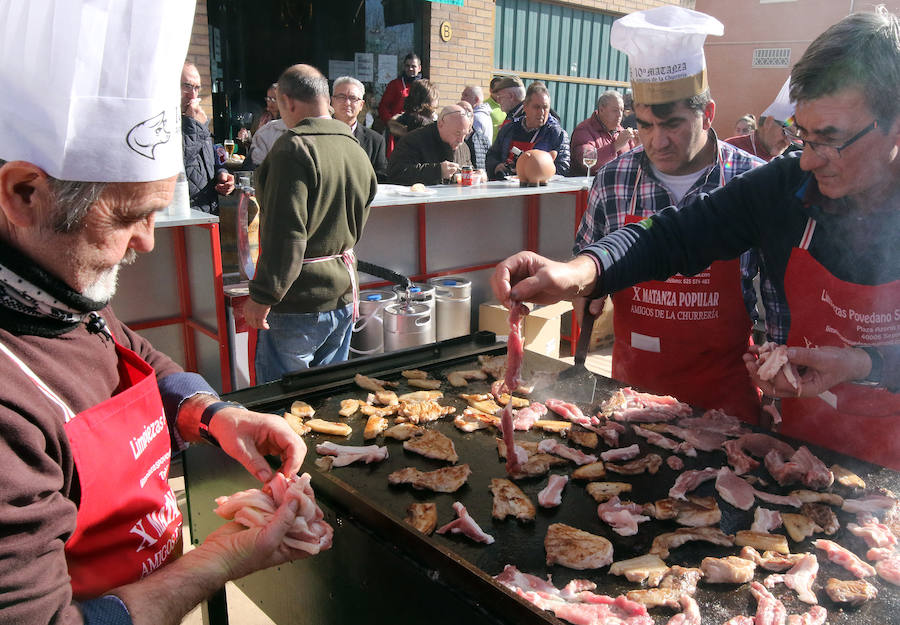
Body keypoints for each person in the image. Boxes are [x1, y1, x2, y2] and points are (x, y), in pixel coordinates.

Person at [0, 2, 326, 623]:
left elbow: (133, 355)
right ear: (24, 194)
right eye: (128, 216)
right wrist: (221, 560)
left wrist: (217, 414)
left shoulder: (46, 288)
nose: (149, 240)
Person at [492, 7, 900, 469]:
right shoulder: (786, 187)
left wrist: (865, 364)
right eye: (802, 137)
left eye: (829, 138)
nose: (807, 160)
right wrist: (578, 270)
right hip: (806, 454)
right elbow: (672, 234)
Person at [573, 5, 766, 423]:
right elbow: (587, 272)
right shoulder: (612, 179)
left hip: (725, 404)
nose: (657, 141)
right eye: (644, 125)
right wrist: (585, 295)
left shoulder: (753, 184)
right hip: (631, 397)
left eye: (673, 124)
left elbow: (777, 303)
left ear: (708, 114)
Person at [243, 64, 377, 382]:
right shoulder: (355, 148)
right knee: (329, 401)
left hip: (299, 304)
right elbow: (362, 213)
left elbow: (286, 235)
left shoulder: (292, 149)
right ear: (326, 100)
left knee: (284, 408)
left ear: (287, 101)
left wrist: (263, 296)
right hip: (343, 294)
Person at [181, 62, 235, 214]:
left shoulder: (196, 120)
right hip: (184, 214)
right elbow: (181, 163)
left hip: (207, 210)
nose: (193, 95)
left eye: (197, 88)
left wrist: (221, 173)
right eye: (187, 86)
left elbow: (212, 155)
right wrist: (193, 125)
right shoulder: (161, 123)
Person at [486, 81, 571, 179]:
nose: (541, 112)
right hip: (507, 188)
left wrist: (535, 169)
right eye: (536, 107)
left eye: (545, 107)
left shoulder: (557, 135)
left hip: (538, 191)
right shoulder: (509, 129)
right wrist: (496, 166)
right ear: (525, 106)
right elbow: (491, 155)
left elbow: (563, 169)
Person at [386, 104, 474, 185]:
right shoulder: (414, 141)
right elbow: (396, 173)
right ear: (440, 124)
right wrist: (438, 171)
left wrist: (477, 175)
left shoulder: (464, 148)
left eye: (465, 134)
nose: (461, 140)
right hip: (421, 200)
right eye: (457, 133)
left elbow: (469, 170)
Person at [569, 90, 638, 177]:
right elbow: (587, 162)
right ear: (601, 110)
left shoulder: (622, 132)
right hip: (588, 187)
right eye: (615, 110)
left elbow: (633, 165)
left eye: (621, 110)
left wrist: (638, 146)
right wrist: (615, 146)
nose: (620, 115)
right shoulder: (584, 130)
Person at [333, 76, 388, 182]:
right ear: (332, 101)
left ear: (361, 105)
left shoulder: (376, 141)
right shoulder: (318, 136)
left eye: (353, 98)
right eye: (341, 97)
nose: (347, 103)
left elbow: (380, 179)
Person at [725, 78, 794, 162]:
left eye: (792, 136)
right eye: (786, 132)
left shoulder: (792, 157)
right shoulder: (731, 149)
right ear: (769, 123)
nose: (788, 142)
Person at [378, 53, 422, 155]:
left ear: (419, 68)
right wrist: (390, 122)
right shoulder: (395, 85)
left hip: (417, 131)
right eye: (407, 66)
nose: (410, 69)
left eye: (413, 66)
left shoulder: (423, 86)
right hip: (397, 131)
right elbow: (383, 106)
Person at [385, 79, 439, 153]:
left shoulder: (402, 119)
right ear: (428, 100)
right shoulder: (422, 124)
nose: (437, 102)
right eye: (435, 98)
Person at [458, 99, 490, 171]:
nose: (466, 117)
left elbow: (489, 163)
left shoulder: (483, 139)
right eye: (462, 114)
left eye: (469, 113)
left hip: (479, 180)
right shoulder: (450, 139)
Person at [487, 76, 509, 142]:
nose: (499, 94)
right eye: (496, 91)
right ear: (490, 90)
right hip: (491, 147)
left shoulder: (509, 105)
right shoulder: (484, 106)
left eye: (502, 90)